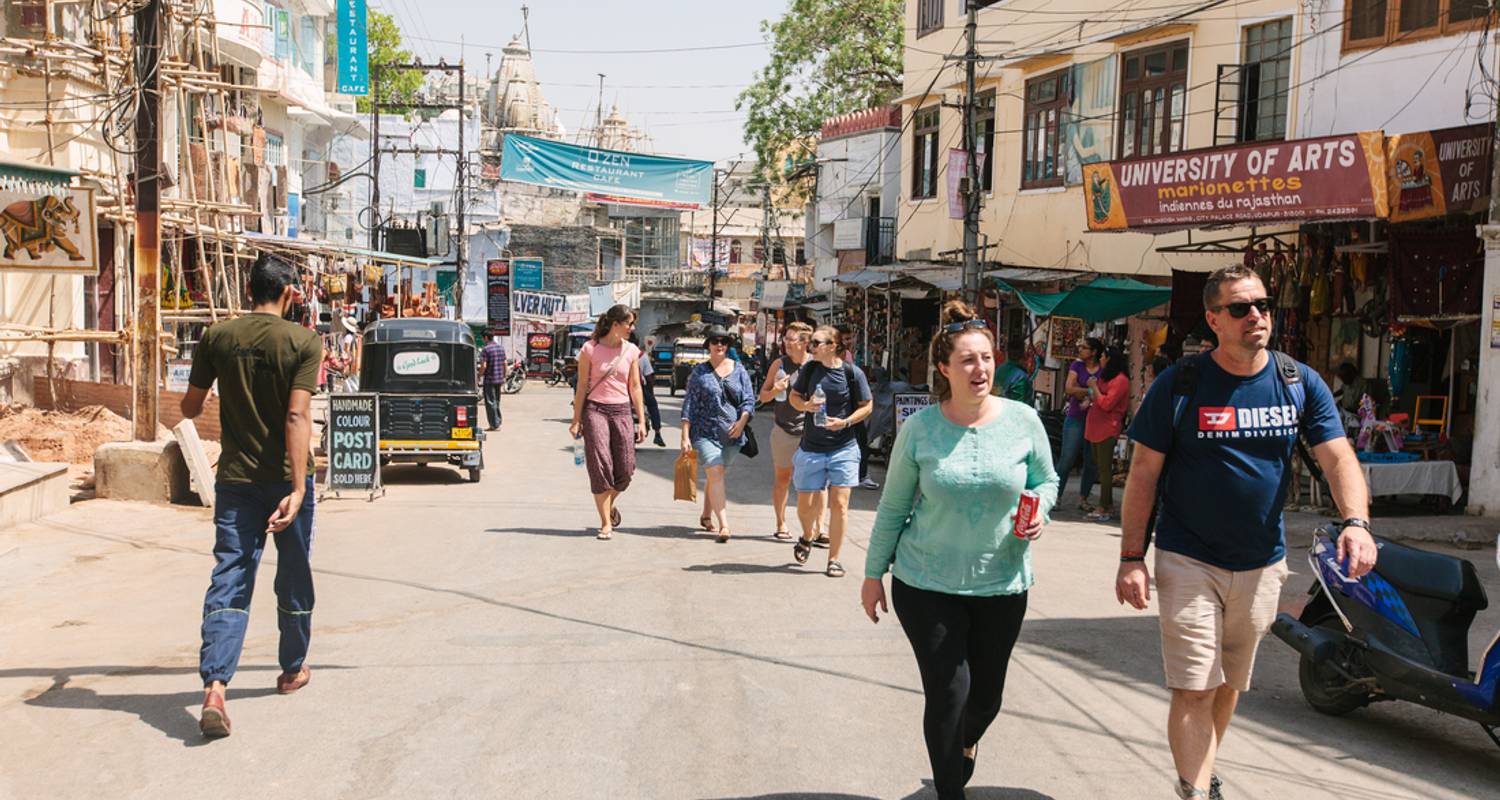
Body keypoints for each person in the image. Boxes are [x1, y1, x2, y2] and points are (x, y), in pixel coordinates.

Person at [1117, 264, 1377, 800]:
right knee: (1194, 687)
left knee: (1229, 684)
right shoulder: (1181, 384)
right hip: (1188, 558)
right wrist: (1131, 557)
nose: (1257, 315)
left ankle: (1202, 766)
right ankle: (1195, 790)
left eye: (1262, 304)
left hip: (1262, 561)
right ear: (1214, 319)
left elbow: (1338, 458)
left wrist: (1357, 523)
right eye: (1241, 308)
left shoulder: (1297, 381)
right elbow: (1143, 473)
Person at [861, 300, 1058, 800]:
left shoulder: (1024, 421)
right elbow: (893, 508)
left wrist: (1041, 510)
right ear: (944, 369)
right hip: (926, 582)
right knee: (948, 692)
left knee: (986, 698)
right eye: (968, 360)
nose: (981, 368)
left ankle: (963, 744)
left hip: (1003, 581)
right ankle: (951, 790)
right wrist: (872, 574)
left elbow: (1047, 480)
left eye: (987, 358)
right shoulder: (921, 430)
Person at [180, 253, 322, 739]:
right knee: (293, 572)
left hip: (236, 481)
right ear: (288, 293)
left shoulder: (217, 337)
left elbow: (190, 405)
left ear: (249, 291)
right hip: (286, 479)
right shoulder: (303, 341)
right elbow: (297, 417)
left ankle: (216, 685)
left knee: (231, 573)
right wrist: (300, 488)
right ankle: (291, 668)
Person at [788, 325, 873, 577]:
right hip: (811, 448)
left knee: (840, 504)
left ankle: (834, 559)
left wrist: (846, 422)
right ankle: (807, 535)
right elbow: (793, 396)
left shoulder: (852, 373)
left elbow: (867, 406)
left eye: (816, 343)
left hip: (843, 447)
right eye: (810, 343)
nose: (810, 347)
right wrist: (805, 405)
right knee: (805, 506)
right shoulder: (810, 369)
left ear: (833, 346)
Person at [569, 305, 649, 540]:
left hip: (622, 411)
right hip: (595, 410)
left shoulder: (632, 351)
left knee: (625, 469)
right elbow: (582, 385)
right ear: (616, 325)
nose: (632, 328)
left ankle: (608, 505)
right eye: (629, 324)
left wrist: (641, 421)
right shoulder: (589, 349)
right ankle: (605, 523)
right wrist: (576, 420)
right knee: (601, 465)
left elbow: (635, 386)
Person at [681, 325, 755, 542]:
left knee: (717, 476)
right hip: (704, 432)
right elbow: (689, 405)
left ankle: (706, 515)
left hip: (733, 434)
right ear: (709, 346)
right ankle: (724, 525)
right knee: (715, 471)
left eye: (723, 342)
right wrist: (685, 435)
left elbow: (749, 401)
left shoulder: (739, 370)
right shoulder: (699, 373)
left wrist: (742, 422)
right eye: (715, 342)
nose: (720, 345)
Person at [757, 321, 820, 542]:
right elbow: (762, 397)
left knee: (817, 482)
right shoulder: (779, 365)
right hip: (784, 429)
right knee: (783, 478)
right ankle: (781, 523)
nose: (786, 343)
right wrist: (776, 389)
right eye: (785, 339)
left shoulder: (816, 364)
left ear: (804, 343)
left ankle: (818, 529)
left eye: (791, 340)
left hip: (811, 432)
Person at [1057, 337, 1103, 512]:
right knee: (1067, 458)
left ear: (1094, 352)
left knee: (1091, 460)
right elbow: (1069, 388)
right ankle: (1056, 496)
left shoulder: (1102, 369)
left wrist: (1082, 391)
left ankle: (1083, 498)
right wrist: (1091, 391)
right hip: (1076, 416)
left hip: (1095, 418)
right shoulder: (1077, 366)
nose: (1080, 349)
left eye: (1084, 348)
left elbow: (1104, 392)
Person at [1084, 345, 1129, 522]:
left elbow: (1107, 403)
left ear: (1109, 358)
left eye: (1102, 356)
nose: (1100, 359)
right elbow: (1095, 396)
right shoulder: (1105, 377)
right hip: (1095, 426)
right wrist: (1091, 392)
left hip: (1107, 428)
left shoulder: (1120, 380)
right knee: (1099, 467)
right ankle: (1106, 504)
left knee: (1105, 470)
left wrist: (1094, 388)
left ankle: (1105, 507)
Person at [631, 332, 666, 447]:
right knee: (652, 405)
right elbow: (649, 377)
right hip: (639, 388)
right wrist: (651, 393)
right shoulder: (641, 356)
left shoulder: (618, 354)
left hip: (621, 388)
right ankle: (657, 433)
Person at [992, 336, 1033, 404]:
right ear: (1023, 353)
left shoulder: (999, 369)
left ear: (1007, 352)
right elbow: (1018, 405)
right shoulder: (1020, 376)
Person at [479, 334, 507, 431]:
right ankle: (498, 421)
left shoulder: (486, 349)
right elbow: (505, 363)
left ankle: (494, 425)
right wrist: (504, 376)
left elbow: (484, 366)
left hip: (490, 379)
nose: (482, 340)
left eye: (483, 338)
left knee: (490, 402)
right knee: (497, 401)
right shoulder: (501, 348)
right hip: (499, 379)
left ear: (486, 337)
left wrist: (479, 376)